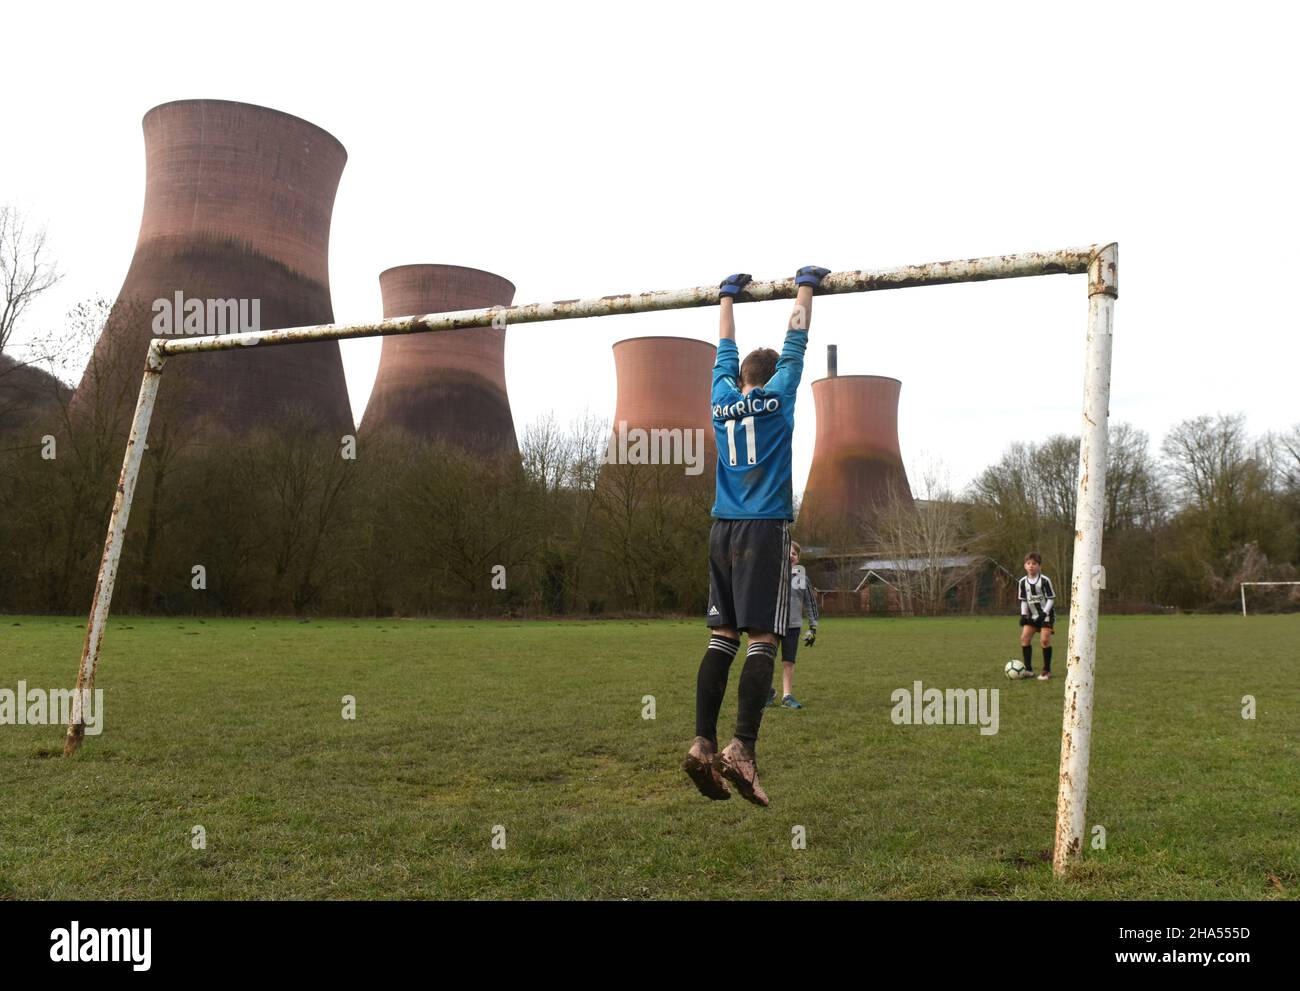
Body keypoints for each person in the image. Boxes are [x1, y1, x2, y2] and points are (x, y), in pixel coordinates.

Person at [682, 264, 830, 807]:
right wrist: (806, 286)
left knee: (721, 638)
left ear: (741, 375)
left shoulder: (721, 396)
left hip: (721, 530)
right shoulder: (780, 395)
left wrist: (726, 296)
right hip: (763, 530)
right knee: (763, 638)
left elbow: (724, 347)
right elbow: (798, 337)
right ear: (772, 376)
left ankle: (702, 743)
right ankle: (742, 747)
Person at [767, 540, 818, 709]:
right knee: (767, 660)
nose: (790, 556)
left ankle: (787, 697)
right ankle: (767, 692)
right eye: (787, 553)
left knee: (788, 662)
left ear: (798, 558)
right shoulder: (772, 576)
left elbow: (810, 603)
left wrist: (813, 627)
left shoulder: (803, 579)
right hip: (773, 625)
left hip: (793, 627)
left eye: (794, 553)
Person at [1017, 552, 1056, 680]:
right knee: (1024, 638)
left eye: (1034, 563)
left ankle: (1047, 671)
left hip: (1046, 616)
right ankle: (1028, 670)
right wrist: (1024, 615)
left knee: (1044, 640)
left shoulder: (1045, 580)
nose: (1031, 566)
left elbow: (1050, 599)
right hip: (1032, 616)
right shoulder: (1022, 582)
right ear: (1025, 566)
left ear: (1039, 566)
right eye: (1028, 563)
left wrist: (1044, 613)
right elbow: (1023, 600)